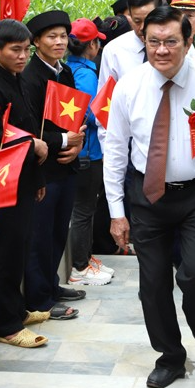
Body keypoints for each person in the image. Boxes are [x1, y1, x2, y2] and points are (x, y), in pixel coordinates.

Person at [105, 4, 195, 388]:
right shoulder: (130, 86)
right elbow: (115, 150)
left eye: (170, 42)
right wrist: (117, 212)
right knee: (152, 283)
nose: (161, 50)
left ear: (187, 41)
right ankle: (170, 355)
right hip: (147, 197)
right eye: (153, 42)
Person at [0, 20, 50, 348]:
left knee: (19, 248)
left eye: (25, 50)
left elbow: (28, 127)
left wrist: (37, 177)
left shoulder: (15, 80)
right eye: (15, 50)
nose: (22, 56)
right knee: (6, 254)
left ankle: (17, 310)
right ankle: (6, 324)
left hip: (24, 178)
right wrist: (34, 148)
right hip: (4, 182)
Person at [20, 10, 87, 317]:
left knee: (59, 231)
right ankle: (39, 298)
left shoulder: (66, 72)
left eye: (63, 36)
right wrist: (66, 141)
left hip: (67, 165)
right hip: (43, 170)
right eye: (52, 37)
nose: (60, 42)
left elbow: (73, 121)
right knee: (40, 234)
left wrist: (77, 145)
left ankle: (52, 284)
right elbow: (33, 129)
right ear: (36, 42)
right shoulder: (30, 77)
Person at [65, 18, 114, 285]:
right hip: (89, 150)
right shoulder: (86, 74)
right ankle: (80, 268)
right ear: (92, 45)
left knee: (84, 209)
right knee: (84, 210)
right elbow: (88, 114)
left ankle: (85, 258)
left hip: (83, 149)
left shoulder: (69, 69)